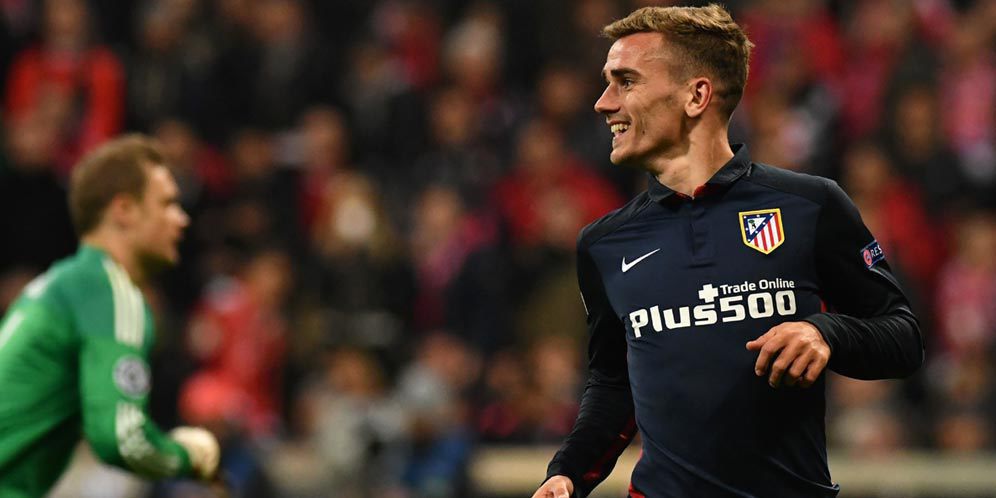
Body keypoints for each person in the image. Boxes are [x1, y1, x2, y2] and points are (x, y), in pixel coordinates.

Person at [531, 5, 923, 498]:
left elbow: (904, 339)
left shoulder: (809, 206)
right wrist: (567, 472)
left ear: (696, 95)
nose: (602, 103)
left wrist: (825, 332)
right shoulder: (604, 245)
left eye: (625, 81)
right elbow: (613, 384)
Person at [0, 135, 221, 497]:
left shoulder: (60, 283)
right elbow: (121, 438)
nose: (182, 220)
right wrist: (191, 457)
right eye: (167, 204)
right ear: (124, 210)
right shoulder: (110, 296)